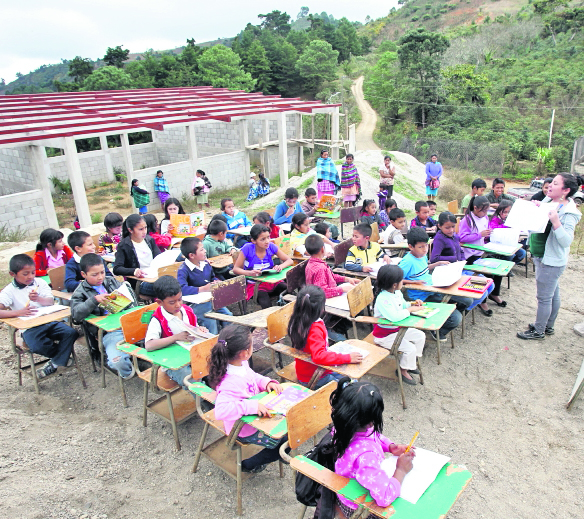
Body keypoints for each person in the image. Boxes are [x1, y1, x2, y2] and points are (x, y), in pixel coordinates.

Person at [209, 324, 289, 473]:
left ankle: (273, 456)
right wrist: (250, 406)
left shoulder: (241, 364)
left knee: (291, 426)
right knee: (286, 440)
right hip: (243, 429)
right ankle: (250, 464)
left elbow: (253, 377)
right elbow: (220, 411)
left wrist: (266, 382)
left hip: (255, 419)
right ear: (245, 352)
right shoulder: (230, 382)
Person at [331, 377, 414, 516]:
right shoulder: (366, 456)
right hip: (356, 506)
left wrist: (390, 446)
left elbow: (372, 435)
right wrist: (401, 470)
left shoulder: (343, 426)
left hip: (348, 487)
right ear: (371, 421)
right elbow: (384, 497)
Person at [518, 173, 581, 340]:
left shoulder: (569, 212)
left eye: (555, 183)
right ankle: (548, 325)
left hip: (551, 261)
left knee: (545, 297)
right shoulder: (548, 201)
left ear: (565, 190)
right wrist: (537, 207)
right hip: (541, 256)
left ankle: (539, 330)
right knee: (553, 293)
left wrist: (556, 222)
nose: (550, 185)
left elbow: (566, 241)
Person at [0, 254, 78, 379]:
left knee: (71, 333)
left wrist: (39, 299)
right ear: (12, 274)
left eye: (32, 272)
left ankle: (55, 362)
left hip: (48, 321)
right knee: (37, 345)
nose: (30, 276)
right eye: (25, 274)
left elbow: (50, 302)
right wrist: (18, 312)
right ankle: (60, 358)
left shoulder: (39, 282)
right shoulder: (9, 291)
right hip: (29, 327)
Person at [70, 253, 136, 379]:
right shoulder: (80, 292)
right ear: (84, 275)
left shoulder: (111, 281)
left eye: (102, 272)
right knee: (117, 360)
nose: (100, 277)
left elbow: (129, 300)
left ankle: (147, 365)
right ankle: (128, 372)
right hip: (109, 332)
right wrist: (94, 300)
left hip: (127, 324)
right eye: (94, 275)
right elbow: (76, 315)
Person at [288, 285, 362, 389]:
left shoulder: (297, 319)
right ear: (320, 308)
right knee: (352, 388)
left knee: (352, 379)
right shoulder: (315, 328)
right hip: (315, 375)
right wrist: (347, 358)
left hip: (309, 371)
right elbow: (319, 356)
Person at [399, 227, 465, 341]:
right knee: (456, 318)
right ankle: (436, 330)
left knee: (466, 300)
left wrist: (438, 263)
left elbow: (424, 269)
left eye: (426, 245)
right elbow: (396, 279)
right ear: (410, 246)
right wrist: (413, 282)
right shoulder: (407, 262)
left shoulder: (422, 255)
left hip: (433, 287)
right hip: (420, 297)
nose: (425, 249)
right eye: (421, 247)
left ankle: (443, 317)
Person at [145, 276, 209, 387]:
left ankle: (217, 397)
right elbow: (149, 345)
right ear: (159, 302)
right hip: (173, 364)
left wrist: (200, 330)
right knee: (190, 380)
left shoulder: (187, 311)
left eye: (180, 299)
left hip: (193, 355)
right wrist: (175, 337)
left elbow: (195, 328)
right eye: (172, 302)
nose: (178, 305)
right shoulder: (158, 319)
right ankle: (203, 402)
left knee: (214, 367)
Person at [431, 212, 493, 316]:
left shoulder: (455, 236)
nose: (451, 230)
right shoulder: (439, 239)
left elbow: (460, 251)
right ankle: (462, 310)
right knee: (482, 292)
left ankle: (466, 308)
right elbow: (434, 258)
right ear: (439, 226)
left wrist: (463, 260)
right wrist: (454, 259)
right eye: (447, 227)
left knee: (490, 285)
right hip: (450, 272)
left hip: (461, 268)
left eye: (453, 227)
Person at [373, 265, 427, 384]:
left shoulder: (396, 292)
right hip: (384, 336)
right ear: (394, 284)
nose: (403, 281)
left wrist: (412, 304)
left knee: (420, 336)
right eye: (401, 280)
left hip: (397, 330)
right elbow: (394, 317)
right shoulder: (382, 299)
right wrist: (410, 310)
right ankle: (402, 370)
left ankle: (410, 363)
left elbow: (402, 304)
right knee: (410, 349)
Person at [177, 237, 233, 334]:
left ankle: (227, 339)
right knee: (211, 323)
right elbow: (181, 289)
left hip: (211, 300)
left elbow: (212, 278)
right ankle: (212, 344)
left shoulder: (205, 264)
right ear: (192, 255)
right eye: (201, 249)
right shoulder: (183, 270)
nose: (205, 251)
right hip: (195, 305)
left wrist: (215, 282)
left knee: (229, 316)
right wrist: (202, 289)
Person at [459, 196, 506, 307]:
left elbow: (487, 229)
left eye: (487, 210)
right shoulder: (467, 220)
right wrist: (479, 235)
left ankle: (490, 295)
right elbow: (462, 238)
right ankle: (481, 302)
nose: (485, 213)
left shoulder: (485, 218)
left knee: (497, 268)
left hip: (480, 252)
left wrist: (491, 233)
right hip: (469, 255)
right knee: (484, 275)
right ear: (475, 208)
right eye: (484, 210)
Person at [233, 224, 293, 308]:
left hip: (272, 281)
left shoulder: (271, 246)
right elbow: (236, 269)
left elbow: (289, 260)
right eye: (263, 239)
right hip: (255, 284)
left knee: (289, 290)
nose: (267, 241)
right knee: (265, 301)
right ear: (253, 241)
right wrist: (249, 273)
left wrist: (280, 266)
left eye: (268, 237)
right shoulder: (247, 248)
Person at [113, 214, 161, 298]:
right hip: (140, 282)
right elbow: (117, 268)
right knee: (166, 288)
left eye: (145, 228)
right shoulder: (124, 245)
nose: (144, 231)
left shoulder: (149, 240)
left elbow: (159, 258)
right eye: (140, 229)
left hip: (156, 277)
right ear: (130, 230)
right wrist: (134, 271)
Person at [488, 200, 527, 265]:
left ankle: (509, 267)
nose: (507, 214)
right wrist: (507, 225)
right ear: (500, 211)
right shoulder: (495, 219)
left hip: (508, 244)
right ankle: (501, 269)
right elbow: (494, 229)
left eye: (509, 212)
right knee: (510, 255)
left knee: (522, 253)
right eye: (505, 212)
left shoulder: (512, 220)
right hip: (497, 244)